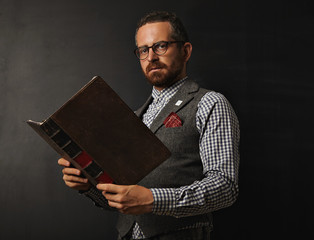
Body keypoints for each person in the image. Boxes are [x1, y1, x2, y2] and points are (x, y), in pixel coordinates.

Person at [58, 10, 240, 240]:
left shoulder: (210, 103)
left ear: (186, 51)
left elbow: (224, 187)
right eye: (143, 50)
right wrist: (87, 186)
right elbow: (121, 199)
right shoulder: (134, 118)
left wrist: (154, 200)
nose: (151, 56)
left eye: (160, 46)